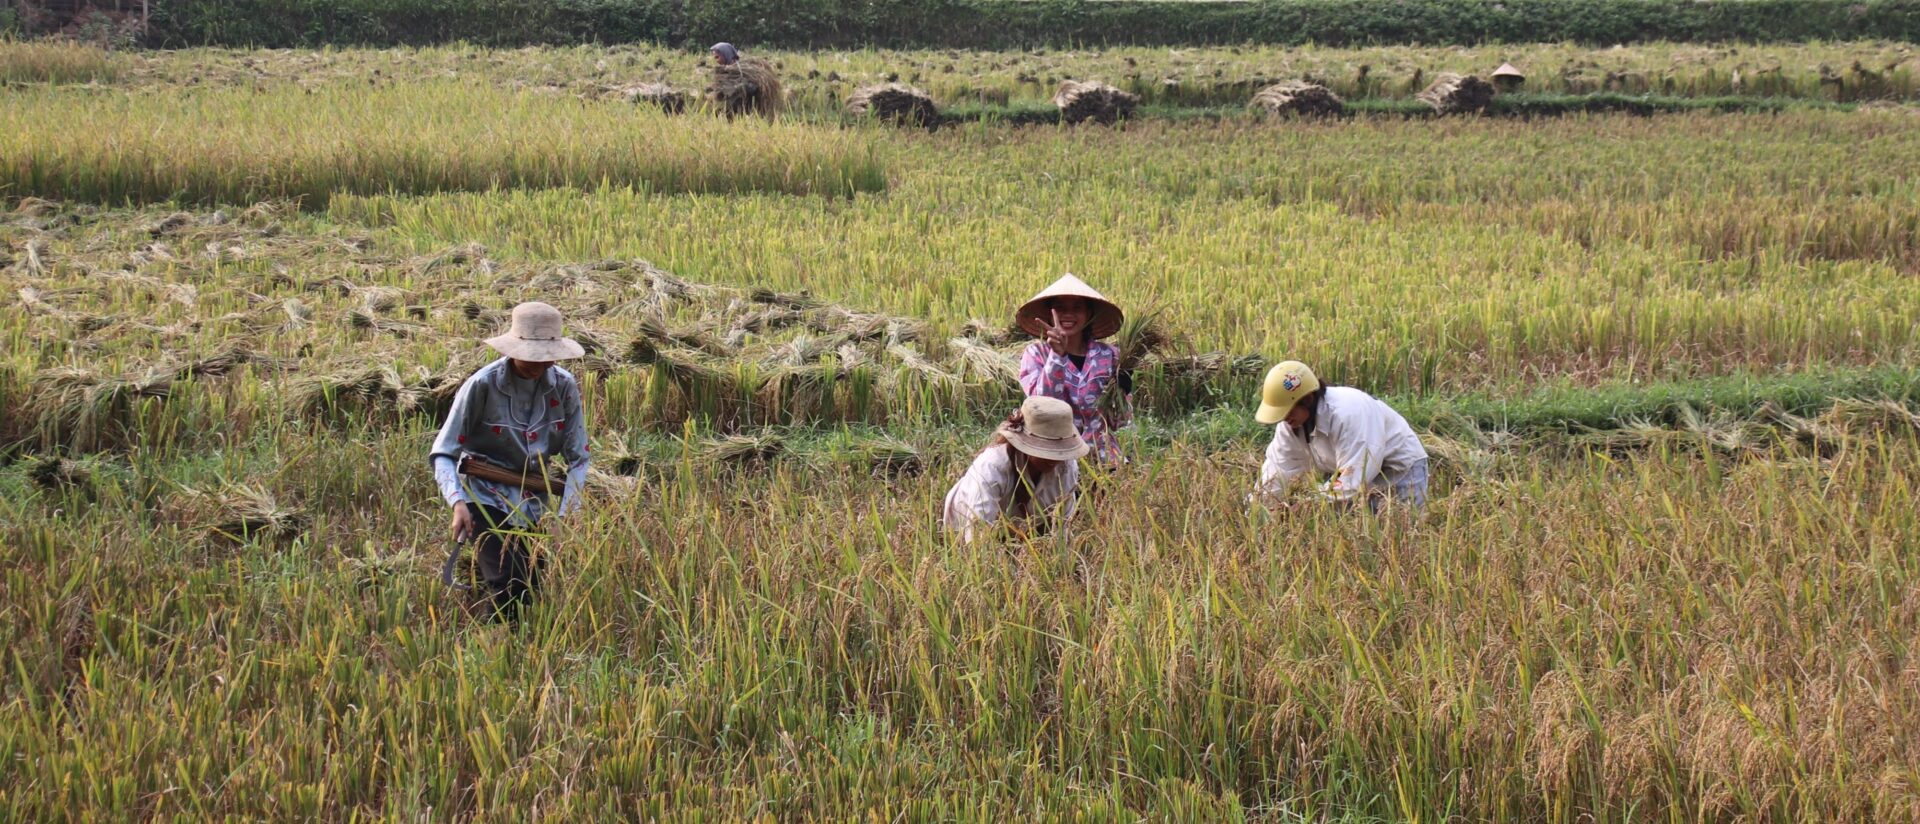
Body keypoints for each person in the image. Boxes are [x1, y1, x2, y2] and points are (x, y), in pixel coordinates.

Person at [429, 302, 590, 620]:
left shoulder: (563, 387)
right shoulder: (483, 385)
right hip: (485, 495)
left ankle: (513, 640)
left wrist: (565, 517)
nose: (539, 365)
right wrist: (457, 503)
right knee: (508, 583)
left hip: (535, 501)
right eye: (531, 356)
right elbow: (444, 452)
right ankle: (490, 643)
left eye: (546, 357)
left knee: (531, 589)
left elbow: (579, 459)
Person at [1250, 360, 1429, 514]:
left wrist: (1306, 505)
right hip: (1355, 473)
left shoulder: (1349, 414)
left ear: (1308, 400)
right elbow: (1278, 470)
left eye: (1288, 410)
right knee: (1361, 531)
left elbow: (1353, 474)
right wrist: (1257, 509)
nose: (1283, 418)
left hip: (1398, 469)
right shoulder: (1291, 425)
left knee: (1403, 531)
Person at [1015, 274, 1132, 467]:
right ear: (1049, 313)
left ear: (1089, 314)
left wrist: (1123, 391)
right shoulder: (1036, 354)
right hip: (1055, 457)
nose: (1068, 314)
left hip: (1104, 457)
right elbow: (1040, 407)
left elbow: (1119, 422)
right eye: (1060, 308)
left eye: (1077, 308)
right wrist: (1056, 357)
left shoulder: (1109, 356)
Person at [942, 396, 1089, 543]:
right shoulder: (992, 467)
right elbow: (977, 536)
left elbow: (1063, 526)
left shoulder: (1066, 467)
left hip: (1023, 529)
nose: (1053, 459)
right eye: (1047, 451)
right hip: (964, 530)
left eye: (1058, 452)